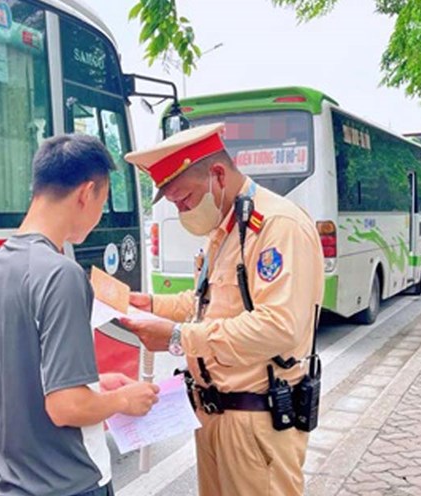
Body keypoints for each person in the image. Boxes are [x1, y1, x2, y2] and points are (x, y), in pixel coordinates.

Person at [121, 124, 324, 496]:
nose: (182, 211)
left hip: (256, 423)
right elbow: (208, 303)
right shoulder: (226, 228)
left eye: (185, 199)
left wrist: (179, 337)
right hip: (215, 416)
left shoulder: (277, 226)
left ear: (217, 175)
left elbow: (279, 327)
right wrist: (151, 305)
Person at [0, 134, 160, 496]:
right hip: (68, 484)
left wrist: (94, 384)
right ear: (85, 193)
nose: (98, 216)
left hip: (11, 483)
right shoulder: (62, 274)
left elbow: (28, 376)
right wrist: (125, 400)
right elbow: (66, 406)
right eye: (103, 201)